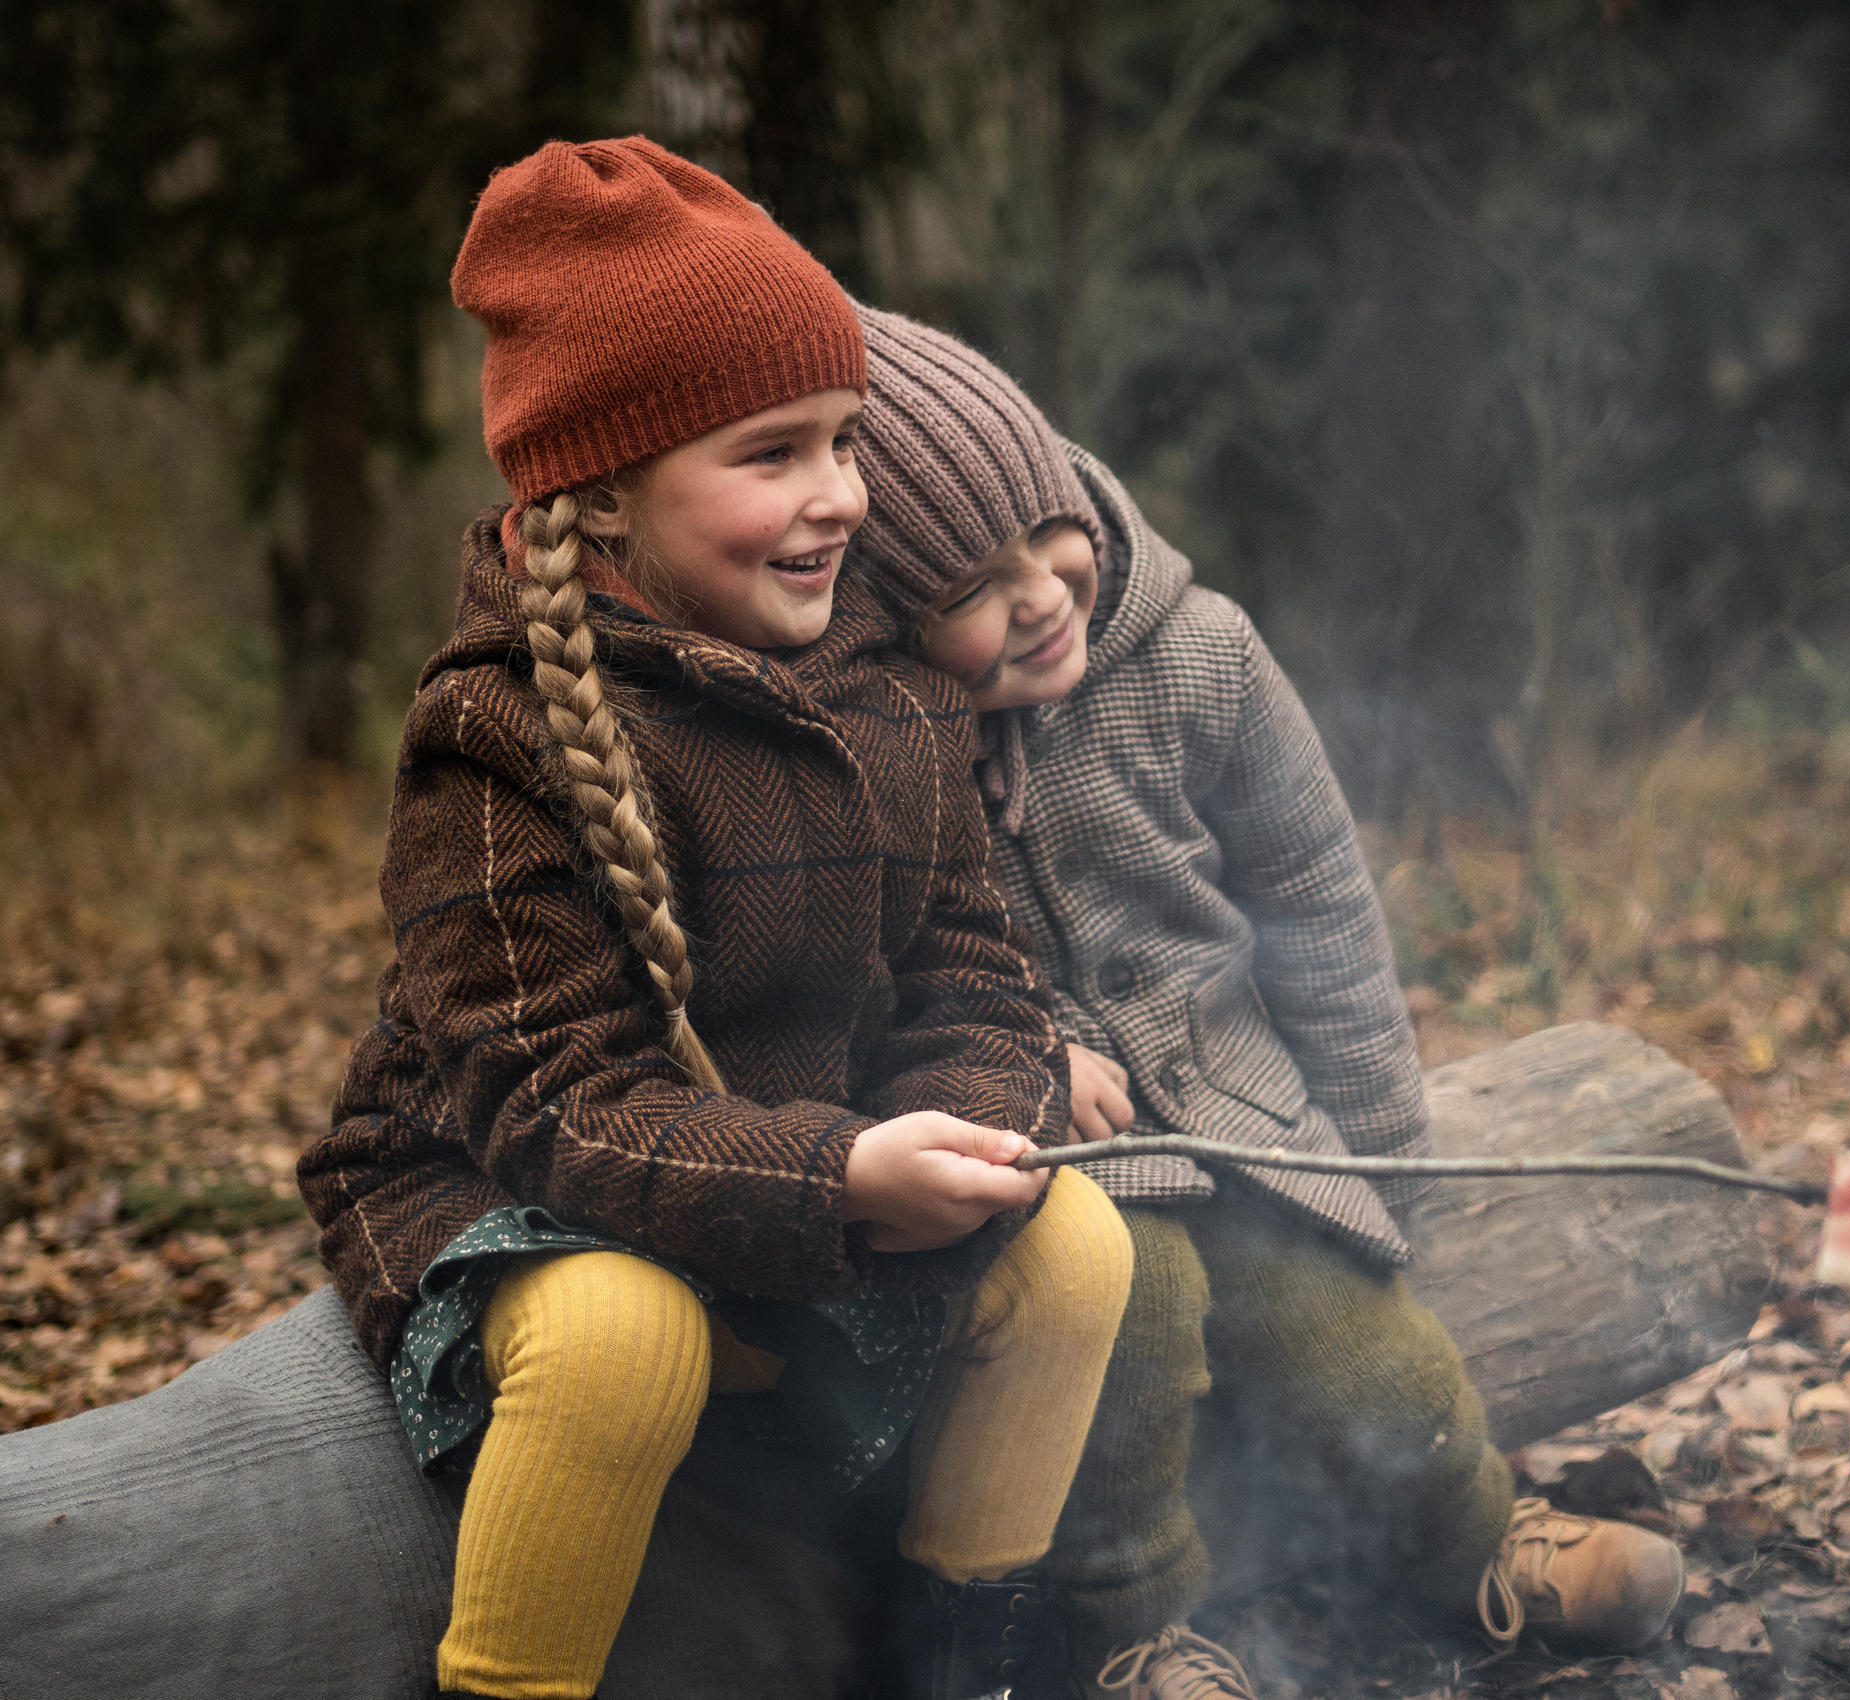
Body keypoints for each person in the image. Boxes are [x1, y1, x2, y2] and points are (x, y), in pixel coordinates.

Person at [295, 139, 1131, 1700]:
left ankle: (962, 1655)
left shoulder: (886, 691)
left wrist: (954, 1133)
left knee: (1070, 1245)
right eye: (772, 456)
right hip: (524, 1177)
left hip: (806, 1166)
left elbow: (971, 969)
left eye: (846, 440)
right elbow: (549, 1100)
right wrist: (833, 1179)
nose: (839, 500)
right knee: (622, 1342)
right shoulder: (498, 736)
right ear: (602, 495)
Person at [845, 307, 1685, 1700]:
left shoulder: (1201, 656)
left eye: (1044, 542)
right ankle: (1132, 1634)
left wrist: (1369, 1146)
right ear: (886, 623)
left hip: (1241, 1097)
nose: (1041, 597)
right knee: (1132, 1323)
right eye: (976, 592)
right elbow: (888, 970)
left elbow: (1318, 903)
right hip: (1062, 1161)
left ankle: (1473, 1540)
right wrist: (1024, 1057)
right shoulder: (889, 757)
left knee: (1355, 1337)